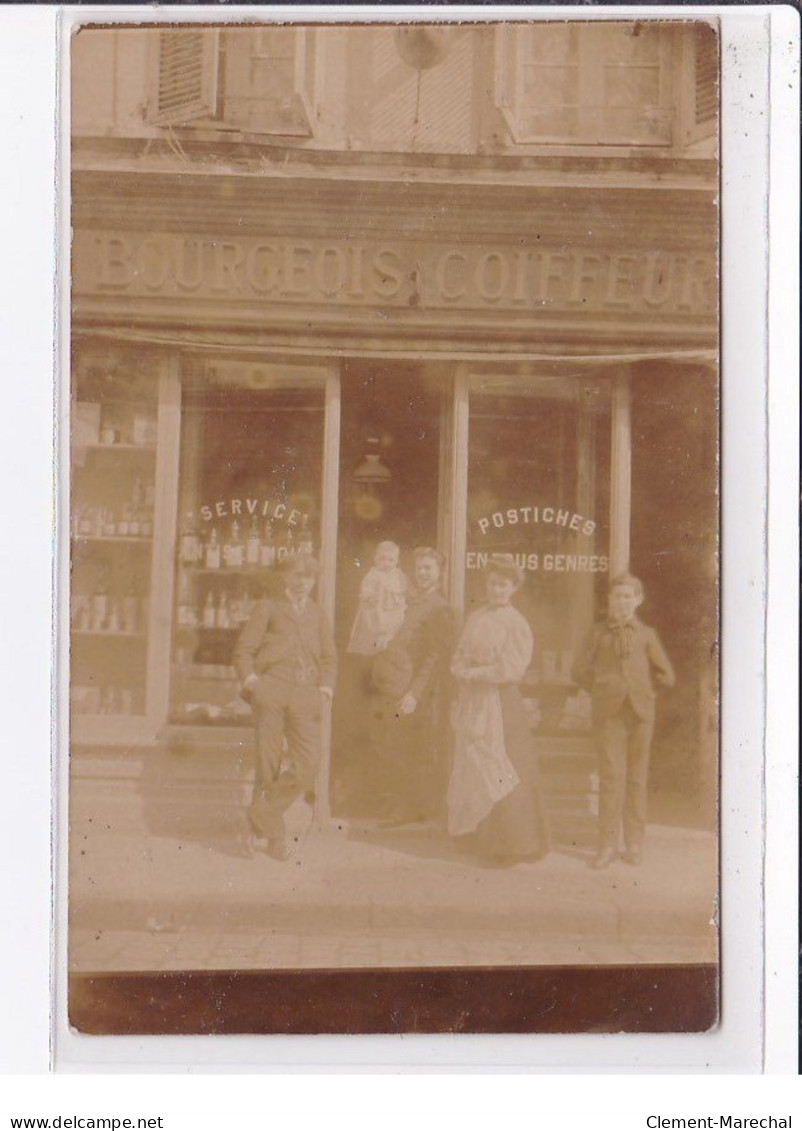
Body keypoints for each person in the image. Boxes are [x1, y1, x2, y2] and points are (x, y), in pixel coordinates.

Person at [234, 553, 337, 861]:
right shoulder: (268, 606)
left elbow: (330, 657)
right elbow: (244, 649)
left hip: (306, 694)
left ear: (314, 581)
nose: (302, 581)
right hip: (272, 690)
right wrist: (253, 682)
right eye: (297, 575)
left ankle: (257, 818)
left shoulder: (318, 613)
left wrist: (325, 690)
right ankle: (274, 838)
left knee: (309, 764)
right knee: (268, 763)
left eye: (308, 577)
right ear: (287, 577)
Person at [447, 557, 549, 865]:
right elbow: (461, 652)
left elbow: (511, 668)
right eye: (492, 583)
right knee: (474, 766)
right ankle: (479, 837)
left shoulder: (516, 622)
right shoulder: (477, 616)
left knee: (503, 768)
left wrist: (474, 674)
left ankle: (512, 845)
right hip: (473, 698)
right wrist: (460, 667)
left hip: (501, 702)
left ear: (513, 588)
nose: (497, 589)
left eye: (503, 585)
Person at [572, 572, 675, 870]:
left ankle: (634, 844)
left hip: (641, 714)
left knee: (636, 778)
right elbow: (578, 670)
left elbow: (666, 675)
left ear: (638, 600)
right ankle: (606, 845)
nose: (622, 601)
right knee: (611, 778)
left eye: (628, 596)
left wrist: (646, 693)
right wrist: (601, 688)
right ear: (609, 600)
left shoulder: (647, 635)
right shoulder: (597, 633)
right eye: (617, 596)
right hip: (609, 714)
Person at [369, 546, 455, 824]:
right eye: (419, 568)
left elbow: (434, 656)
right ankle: (398, 802)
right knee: (390, 744)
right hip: (391, 681)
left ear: (440, 573)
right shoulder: (408, 600)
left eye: (428, 567)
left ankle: (406, 808)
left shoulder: (439, 608)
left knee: (405, 748)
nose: (422, 573)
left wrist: (414, 694)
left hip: (411, 689)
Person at [346, 540, 408, 656]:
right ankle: (375, 649)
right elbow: (366, 588)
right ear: (375, 559)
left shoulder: (398, 574)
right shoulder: (373, 574)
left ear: (397, 561)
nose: (386, 563)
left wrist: (402, 597)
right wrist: (368, 596)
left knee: (395, 628)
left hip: (393, 609)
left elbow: (404, 588)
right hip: (376, 608)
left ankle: (388, 644)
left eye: (391, 560)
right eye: (382, 559)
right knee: (374, 630)